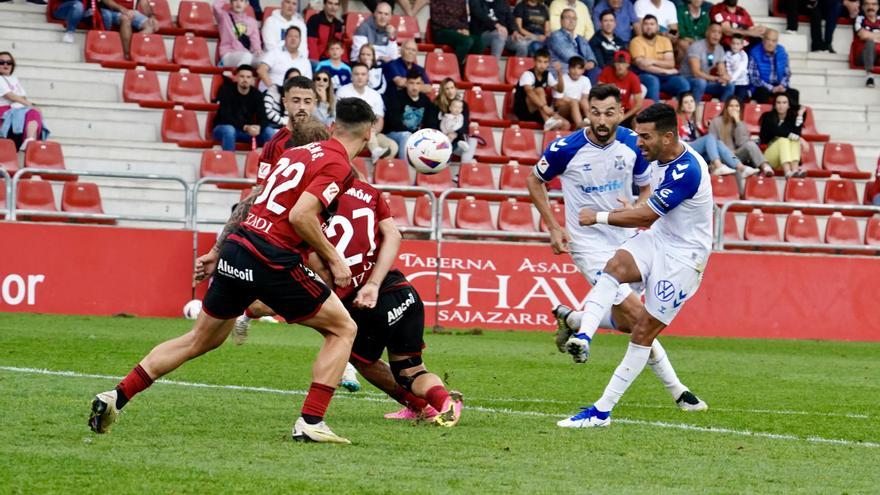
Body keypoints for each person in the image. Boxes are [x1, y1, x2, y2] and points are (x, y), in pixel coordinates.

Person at [88, 97, 378, 444]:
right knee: (344, 328)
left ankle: (116, 396)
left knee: (200, 339)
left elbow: (252, 201)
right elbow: (301, 216)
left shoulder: (295, 153)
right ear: (369, 133)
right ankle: (311, 421)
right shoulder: (339, 166)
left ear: (333, 127)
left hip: (239, 247)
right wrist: (335, 258)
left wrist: (216, 249)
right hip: (272, 257)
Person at [528, 86, 708, 423]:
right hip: (590, 245)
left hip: (669, 250)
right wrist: (553, 226)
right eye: (594, 112)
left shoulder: (643, 147)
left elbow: (648, 201)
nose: (601, 119)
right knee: (635, 311)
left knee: (635, 323)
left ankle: (576, 320)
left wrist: (630, 209)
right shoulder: (566, 148)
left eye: (609, 112)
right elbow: (534, 180)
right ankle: (671, 388)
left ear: (619, 111)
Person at [308, 178, 463, 425]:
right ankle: (445, 400)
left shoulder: (307, 207)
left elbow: (321, 272)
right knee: (412, 370)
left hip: (366, 302)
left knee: (360, 359)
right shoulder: (368, 192)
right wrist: (374, 283)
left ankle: (421, 406)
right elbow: (393, 234)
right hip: (401, 290)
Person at [677, 92, 751, 176]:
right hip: (684, 150)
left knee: (718, 143)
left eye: (692, 101)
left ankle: (741, 168)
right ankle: (718, 166)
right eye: (686, 102)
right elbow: (677, 142)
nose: (690, 104)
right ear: (681, 107)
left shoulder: (696, 121)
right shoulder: (677, 120)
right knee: (710, 137)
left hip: (696, 154)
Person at [337, 63, 398, 161]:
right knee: (366, 128)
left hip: (372, 134)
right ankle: (375, 151)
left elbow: (379, 119)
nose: (360, 77)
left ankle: (377, 167)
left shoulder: (375, 95)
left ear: (368, 77)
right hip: (351, 133)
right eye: (356, 74)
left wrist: (372, 131)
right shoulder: (343, 92)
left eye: (363, 74)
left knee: (393, 146)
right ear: (351, 76)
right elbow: (341, 118)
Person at [212, 64, 273, 151]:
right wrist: (245, 127)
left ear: (253, 80)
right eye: (242, 76)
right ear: (236, 78)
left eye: (248, 77)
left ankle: (271, 163)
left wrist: (259, 127)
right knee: (229, 130)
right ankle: (228, 163)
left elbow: (263, 118)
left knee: (269, 131)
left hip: (246, 132)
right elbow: (225, 116)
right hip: (224, 129)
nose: (245, 80)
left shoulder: (257, 94)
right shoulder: (226, 91)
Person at [630, 15, 690, 101]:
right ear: (642, 27)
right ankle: (656, 113)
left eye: (652, 24)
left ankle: (681, 113)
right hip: (644, 75)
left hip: (665, 78)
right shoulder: (636, 41)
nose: (649, 27)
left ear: (657, 27)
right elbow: (642, 65)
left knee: (682, 83)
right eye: (646, 24)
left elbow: (670, 64)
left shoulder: (665, 40)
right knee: (653, 80)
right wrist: (664, 71)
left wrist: (651, 61)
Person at [709, 96, 773, 177]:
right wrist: (727, 151)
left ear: (740, 108)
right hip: (722, 156)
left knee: (750, 144)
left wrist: (738, 122)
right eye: (731, 106)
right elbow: (712, 143)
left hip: (737, 156)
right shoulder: (716, 121)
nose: (734, 108)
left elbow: (742, 142)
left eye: (737, 106)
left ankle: (765, 167)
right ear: (726, 108)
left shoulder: (741, 123)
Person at [382, 70, 437, 159]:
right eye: (411, 83)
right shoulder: (396, 97)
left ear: (422, 85)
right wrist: (415, 135)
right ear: (406, 83)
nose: (414, 87)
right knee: (406, 135)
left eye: (418, 83)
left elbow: (431, 123)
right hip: (394, 134)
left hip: (415, 135)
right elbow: (394, 122)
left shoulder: (426, 101)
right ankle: (405, 170)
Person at [513, 49, 570, 131]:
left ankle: (552, 141)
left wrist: (559, 73)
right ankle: (547, 121)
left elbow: (560, 90)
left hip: (539, 111)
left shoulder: (547, 74)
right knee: (539, 90)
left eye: (545, 62)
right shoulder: (527, 74)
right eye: (540, 61)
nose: (542, 65)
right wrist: (544, 107)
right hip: (523, 110)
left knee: (566, 124)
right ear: (534, 61)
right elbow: (529, 93)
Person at [0, 52, 47, 151]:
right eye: (2, 62)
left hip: (16, 109)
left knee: (34, 112)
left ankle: (30, 140)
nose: (5, 65)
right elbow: (11, 96)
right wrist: (30, 105)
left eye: (9, 62)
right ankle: (30, 141)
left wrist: (28, 105)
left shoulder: (14, 79)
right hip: (4, 110)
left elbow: (23, 97)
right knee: (33, 111)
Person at [681, 23, 734, 104]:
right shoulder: (696, 46)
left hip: (705, 82)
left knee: (729, 86)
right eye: (714, 31)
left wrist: (725, 77)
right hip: (688, 79)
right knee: (700, 82)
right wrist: (716, 79)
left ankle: (723, 113)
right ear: (707, 33)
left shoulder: (719, 49)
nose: (716, 35)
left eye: (719, 33)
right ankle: (693, 112)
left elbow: (721, 70)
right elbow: (696, 73)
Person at [759, 92, 807, 178]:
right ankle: (788, 172)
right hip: (771, 158)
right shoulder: (767, 117)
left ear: (788, 105)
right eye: (778, 102)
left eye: (784, 103)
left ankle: (795, 170)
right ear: (774, 105)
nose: (781, 105)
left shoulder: (791, 118)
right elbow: (778, 131)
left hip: (786, 157)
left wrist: (799, 115)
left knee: (794, 140)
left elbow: (797, 133)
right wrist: (800, 139)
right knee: (783, 140)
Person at [748, 29, 799, 105]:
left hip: (778, 85)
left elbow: (787, 73)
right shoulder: (755, 52)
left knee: (794, 93)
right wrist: (772, 88)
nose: (770, 43)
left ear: (777, 42)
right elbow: (755, 79)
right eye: (768, 40)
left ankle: (791, 116)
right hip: (762, 86)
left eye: (774, 41)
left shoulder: (781, 51)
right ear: (763, 39)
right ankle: (765, 116)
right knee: (762, 92)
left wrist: (781, 86)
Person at [547, 8, 600, 79]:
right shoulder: (556, 35)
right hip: (565, 70)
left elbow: (590, 54)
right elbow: (567, 54)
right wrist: (584, 64)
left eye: (574, 18)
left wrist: (592, 62)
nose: (571, 21)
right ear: (561, 20)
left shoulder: (581, 38)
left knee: (596, 71)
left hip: (582, 69)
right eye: (568, 17)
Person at [430, 0, 486, 65]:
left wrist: (465, 29)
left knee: (479, 42)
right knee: (466, 41)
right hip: (441, 31)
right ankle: (454, 69)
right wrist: (457, 29)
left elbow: (464, 19)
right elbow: (438, 20)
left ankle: (467, 69)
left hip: (458, 32)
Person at [257, 26, 312, 91]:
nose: (293, 39)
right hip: (271, 92)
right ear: (285, 38)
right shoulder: (275, 52)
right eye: (290, 36)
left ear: (300, 40)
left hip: (294, 96)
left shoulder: (305, 61)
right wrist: (273, 89)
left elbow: (308, 83)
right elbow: (261, 70)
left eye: (296, 37)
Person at [434, 77, 476, 162]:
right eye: (447, 89)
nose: (450, 91)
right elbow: (431, 125)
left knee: (473, 141)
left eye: (452, 88)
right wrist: (446, 134)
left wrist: (455, 133)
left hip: (457, 138)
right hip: (442, 138)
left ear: (456, 88)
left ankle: (462, 173)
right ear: (443, 91)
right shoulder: (436, 104)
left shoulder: (463, 104)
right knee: (448, 146)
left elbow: (465, 126)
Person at [597, 50, 643, 125]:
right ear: (614, 63)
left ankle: (637, 136)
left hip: (624, 110)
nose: (620, 66)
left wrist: (622, 117)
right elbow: (598, 92)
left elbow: (639, 104)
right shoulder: (607, 71)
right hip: (606, 108)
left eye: (623, 63)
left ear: (628, 64)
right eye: (617, 62)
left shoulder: (633, 78)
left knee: (636, 121)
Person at [214, 0, 263, 67]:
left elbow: (255, 41)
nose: (238, 3)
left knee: (263, 61)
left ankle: (245, 76)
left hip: (245, 53)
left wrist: (257, 50)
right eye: (235, 0)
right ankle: (238, 76)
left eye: (241, 1)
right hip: (228, 54)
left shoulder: (252, 22)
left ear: (246, 4)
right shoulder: (224, 16)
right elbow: (216, 6)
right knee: (247, 57)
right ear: (231, 3)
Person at [553, 56, 593, 128]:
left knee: (584, 102)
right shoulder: (562, 79)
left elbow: (584, 100)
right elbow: (557, 103)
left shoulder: (585, 80)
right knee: (574, 102)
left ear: (583, 70)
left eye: (579, 68)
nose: (576, 71)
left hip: (578, 110)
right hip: (561, 111)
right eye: (573, 68)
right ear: (568, 68)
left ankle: (590, 121)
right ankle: (580, 127)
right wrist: (572, 101)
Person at [853, 0, 880, 88]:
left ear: (878, 7)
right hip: (862, 56)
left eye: (873, 4)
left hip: (878, 55)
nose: (870, 7)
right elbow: (863, 35)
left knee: (870, 40)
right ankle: (869, 76)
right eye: (867, 4)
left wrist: (870, 35)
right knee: (869, 42)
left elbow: (867, 34)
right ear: (863, 7)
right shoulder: (860, 19)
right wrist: (877, 37)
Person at [725, 33, 750, 101]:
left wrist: (730, 79)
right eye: (733, 43)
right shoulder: (727, 54)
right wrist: (728, 79)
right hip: (730, 82)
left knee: (738, 101)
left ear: (742, 45)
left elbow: (740, 70)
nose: (735, 46)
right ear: (730, 44)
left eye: (738, 44)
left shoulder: (743, 55)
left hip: (741, 83)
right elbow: (727, 68)